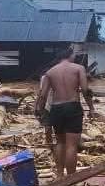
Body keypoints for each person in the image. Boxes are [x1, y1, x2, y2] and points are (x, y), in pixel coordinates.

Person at [36, 48, 95, 178]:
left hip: (56, 109)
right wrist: (91, 108)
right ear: (70, 55)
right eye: (74, 54)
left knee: (60, 142)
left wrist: (41, 112)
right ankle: (71, 178)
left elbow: (43, 95)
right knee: (71, 146)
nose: (75, 56)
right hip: (72, 107)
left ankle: (59, 175)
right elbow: (85, 90)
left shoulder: (50, 72)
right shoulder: (79, 68)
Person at [36, 74, 54, 154]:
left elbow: (42, 94)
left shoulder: (45, 77)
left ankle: (50, 147)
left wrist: (39, 107)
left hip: (48, 105)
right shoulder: (66, 75)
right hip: (59, 105)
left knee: (48, 127)